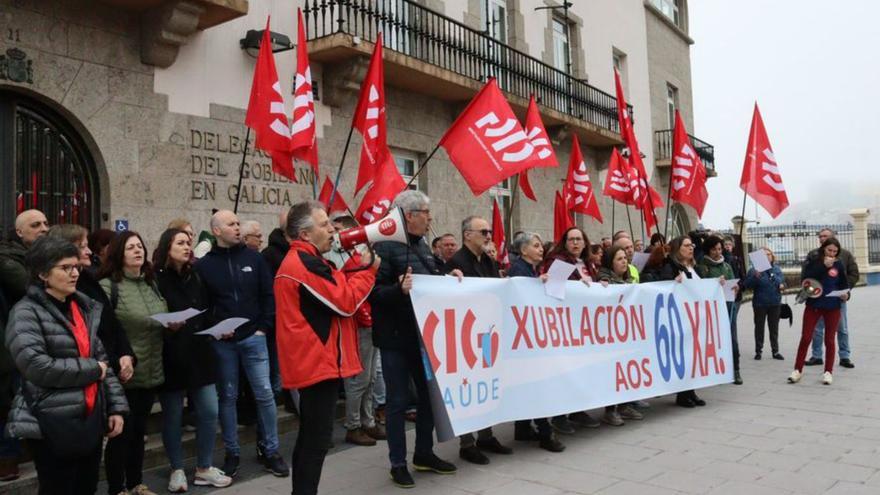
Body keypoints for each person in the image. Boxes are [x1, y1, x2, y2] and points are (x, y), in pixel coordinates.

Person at [5, 236, 128, 494]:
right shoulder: (26, 312)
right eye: (65, 268)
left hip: (90, 416)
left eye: (76, 267)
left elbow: (103, 360)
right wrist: (93, 370)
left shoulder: (83, 307)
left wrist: (116, 407)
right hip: (52, 420)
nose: (74, 273)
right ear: (42, 273)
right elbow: (38, 367)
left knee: (87, 487)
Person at [274, 201, 379, 495]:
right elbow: (344, 301)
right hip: (315, 364)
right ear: (305, 234)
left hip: (316, 362)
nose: (332, 229)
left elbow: (336, 287)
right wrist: (368, 270)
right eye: (324, 224)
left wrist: (360, 267)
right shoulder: (303, 263)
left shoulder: (309, 261)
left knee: (312, 438)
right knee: (316, 440)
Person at [369, 190, 458, 488]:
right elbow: (373, 294)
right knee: (396, 402)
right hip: (395, 338)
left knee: (428, 397)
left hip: (423, 337)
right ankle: (397, 463)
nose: (430, 218)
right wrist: (398, 289)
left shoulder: (420, 245)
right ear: (410, 216)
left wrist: (449, 276)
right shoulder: (382, 248)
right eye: (425, 213)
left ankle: (423, 453)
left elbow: (429, 282)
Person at [195, 210, 288, 478]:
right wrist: (215, 329)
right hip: (223, 343)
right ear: (216, 231)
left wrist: (263, 328)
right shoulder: (205, 265)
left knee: (266, 394)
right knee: (228, 397)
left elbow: (268, 295)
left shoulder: (254, 259)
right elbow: (202, 305)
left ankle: (271, 451)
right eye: (231, 224)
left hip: (253, 338)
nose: (237, 228)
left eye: (238, 223)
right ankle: (232, 453)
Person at [153, 229, 231, 491]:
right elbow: (153, 317)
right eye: (181, 243)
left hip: (200, 352)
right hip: (172, 355)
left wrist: (218, 327)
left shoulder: (196, 275)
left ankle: (204, 467)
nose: (187, 247)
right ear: (167, 247)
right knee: (173, 416)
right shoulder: (156, 278)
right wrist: (168, 327)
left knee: (209, 411)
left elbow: (206, 311)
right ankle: (177, 469)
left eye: (189, 243)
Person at [99, 231, 167, 495]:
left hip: (151, 368)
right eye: (131, 248)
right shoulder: (108, 286)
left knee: (139, 433)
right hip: (124, 374)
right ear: (118, 253)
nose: (138, 251)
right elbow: (105, 333)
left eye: (140, 246)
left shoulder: (151, 282)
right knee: (121, 435)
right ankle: (117, 488)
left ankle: (136, 483)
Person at [444, 216, 513, 465]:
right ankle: (467, 442)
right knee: (467, 387)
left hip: (487, 331)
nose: (488, 235)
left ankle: (486, 435)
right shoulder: (456, 262)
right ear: (467, 235)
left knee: (487, 384)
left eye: (489, 231)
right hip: (466, 335)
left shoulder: (489, 260)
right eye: (483, 231)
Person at [46, 225, 135, 391]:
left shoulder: (90, 278)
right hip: (85, 378)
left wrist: (126, 354)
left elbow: (111, 321)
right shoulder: (57, 293)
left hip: (108, 371)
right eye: (81, 247)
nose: (89, 252)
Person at [324, 215, 387, 447]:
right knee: (358, 380)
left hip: (370, 323)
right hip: (359, 324)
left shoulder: (359, 257)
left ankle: (367, 421)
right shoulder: (349, 260)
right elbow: (352, 294)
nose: (334, 233)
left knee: (370, 378)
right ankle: (353, 425)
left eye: (340, 229)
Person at [0, 209, 49, 481]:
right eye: (35, 225)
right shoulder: (8, 259)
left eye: (45, 223)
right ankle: (8, 456)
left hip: (41, 341)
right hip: (16, 344)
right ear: (19, 232)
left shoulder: (43, 257)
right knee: (14, 401)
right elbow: (35, 290)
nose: (44, 228)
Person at [507, 233, 566, 453]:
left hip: (528, 337)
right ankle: (545, 432)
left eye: (541, 246)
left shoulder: (530, 270)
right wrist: (534, 286)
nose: (541, 249)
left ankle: (522, 428)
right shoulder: (518, 271)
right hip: (523, 339)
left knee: (529, 383)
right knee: (536, 383)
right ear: (523, 251)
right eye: (536, 246)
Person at [540, 227, 600, 434]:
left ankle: (577, 410)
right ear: (565, 243)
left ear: (585, 243)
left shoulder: (589, 263)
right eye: (571, 239)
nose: (575, 243)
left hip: (585, 324)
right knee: (565, 369)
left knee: (582, 369)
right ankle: (559, 415)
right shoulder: (557, 261)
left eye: (579, 239)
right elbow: (554, 288)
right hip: (566, 324)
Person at [641, 236, 708, 407]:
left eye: (692, 245)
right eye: (686, 245)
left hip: (694, 318)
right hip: (679, 317)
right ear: (678, 249)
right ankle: (683, 394)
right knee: (683, 355)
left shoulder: (693, 268)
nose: (691, 248)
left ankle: (691, 390)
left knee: (693, 355)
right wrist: (673, 282)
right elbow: (663, 288)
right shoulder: (670, 266)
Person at [596, 245, 647, 425]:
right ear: (610, 262)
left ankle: (624, 405)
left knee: (624, 369)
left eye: (625, 258)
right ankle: (610, 410)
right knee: (612, 371)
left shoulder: (625, 282)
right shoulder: (603, 281)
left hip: (625, 333)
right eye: (619, 258)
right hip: (609, 335)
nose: (624, 261)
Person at [790, 238, 848, 385]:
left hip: (833, 306)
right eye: (829, 250)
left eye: (835, 252)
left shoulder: (839, 264)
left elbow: (844, 284)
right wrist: (824, 266)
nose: (832, 254)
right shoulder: (814, 260)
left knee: (829, 340)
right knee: (806, 338)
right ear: (823, 249)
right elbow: (807, 278)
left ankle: (828, 372)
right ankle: (797, 370)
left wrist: (846, 295)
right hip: (814, 305)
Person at [804, 228, 859, 369]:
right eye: (820, 236)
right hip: (818, 300)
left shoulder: (844, 255)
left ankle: (844, 356)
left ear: (832, 238)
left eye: (825, 236)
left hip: (837, 300)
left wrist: (845, 290)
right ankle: (816, 356)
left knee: (842, 328)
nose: (822, 238)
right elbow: (806, 274)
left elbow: (854, 274)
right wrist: (812, 291)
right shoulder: (814, 255)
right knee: (817, 329)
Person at [696, 235, 742, 385]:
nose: (718, 252)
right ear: (708, 250)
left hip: (728, 307)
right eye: (714, 249)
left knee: (732, 339)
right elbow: (701, 287)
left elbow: (733, 281)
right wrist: (714, 283)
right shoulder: (702, 267)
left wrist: (735, 287)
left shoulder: (727, 266)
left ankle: (736, 369)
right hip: (710, 310)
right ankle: (714, 371)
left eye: (720, 249)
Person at [744, 247, 785, 361]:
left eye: (769, 254)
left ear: (772, 256)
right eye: (764, 255)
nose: (767, 256)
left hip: (775, 303)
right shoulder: (754, 270)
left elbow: (782, 283)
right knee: (759, 328)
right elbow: (747, 285)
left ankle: (775, 351)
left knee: (774, 328)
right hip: (760, 304)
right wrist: (755, 277)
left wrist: (777, 280)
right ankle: (758, 351)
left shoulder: (776, 269)